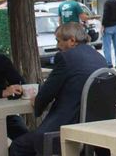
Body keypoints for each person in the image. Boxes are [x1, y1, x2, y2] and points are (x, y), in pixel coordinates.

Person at [9, 23, 107, 156]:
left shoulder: (66, 58)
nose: (57, 46)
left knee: (18, 146)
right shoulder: (100, 58)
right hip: (94, 128)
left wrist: (37, 102)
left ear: (72, 40)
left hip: (66, 128)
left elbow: (47, 93)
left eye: (58, 41)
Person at [0, 54, 29, 140]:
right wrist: (2, 93)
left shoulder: (0, 60)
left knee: (25, 139)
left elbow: (19, 83)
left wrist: (17, 89)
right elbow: (4, 93)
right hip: (1, 111)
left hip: (4, 114)